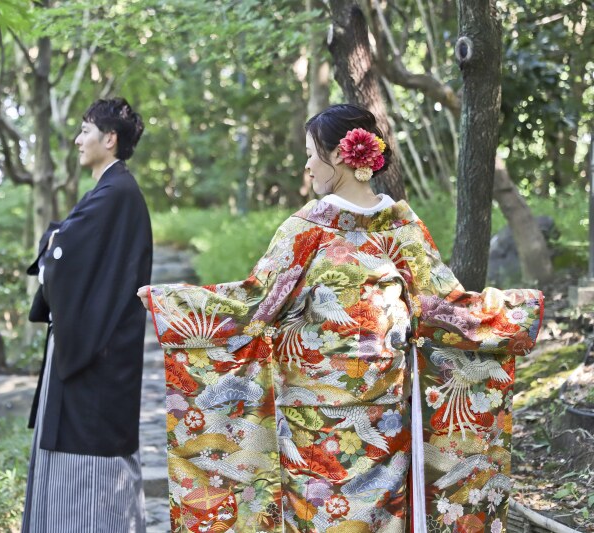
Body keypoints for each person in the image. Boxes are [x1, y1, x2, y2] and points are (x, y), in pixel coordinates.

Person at [137, 103, 543, 532]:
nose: (307, 164)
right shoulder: (318, 227)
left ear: (339, 157)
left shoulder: (396, 228)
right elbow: (259, 304)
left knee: (374, 515)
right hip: (317, 420)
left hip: (386, 417)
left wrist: (519, 311)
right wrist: (169, 301)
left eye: (312, 153)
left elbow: (442, 310)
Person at [23, 97, 152, 533]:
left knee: (89, 463)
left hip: (97, 352)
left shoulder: (116, 193)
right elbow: (64, 244)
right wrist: (55, 240)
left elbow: (63, 250)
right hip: (96, 343)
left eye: (85, 131)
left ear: (109, 139)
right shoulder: (112, 191)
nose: (78, 140)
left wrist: (53, 243)